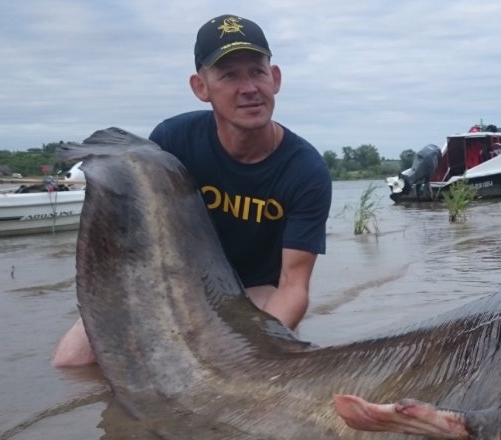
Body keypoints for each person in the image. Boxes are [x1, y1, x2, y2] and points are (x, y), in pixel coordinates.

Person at [52, 14, 332, 367]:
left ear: (274, 79)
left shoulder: (306, 171)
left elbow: (293, 284)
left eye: (257, 71)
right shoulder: (172, 141)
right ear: (201, 87)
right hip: (173, 285)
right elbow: (136, 243)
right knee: (71, 364)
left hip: (251, 294)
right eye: (229, 75)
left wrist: (254, 352)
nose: (248, 88)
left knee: (247, 365)